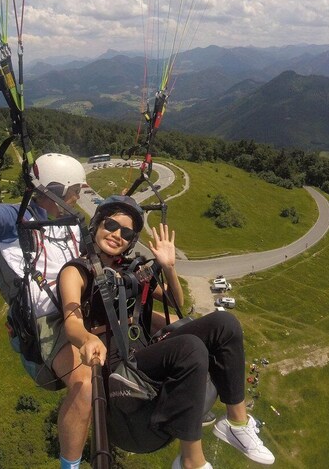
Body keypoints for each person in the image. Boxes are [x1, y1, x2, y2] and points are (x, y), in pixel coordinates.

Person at [58, 195, 275, 468]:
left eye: (125, 233)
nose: (116, 235)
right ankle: (190, 460)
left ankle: (237, 423)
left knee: (226, 324)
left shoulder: (132, 271)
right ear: (97, 225)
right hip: (115, 366)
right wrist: (86, 338)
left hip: (143, 353)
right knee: (190, 348)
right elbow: (72, 320)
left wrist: (169, 267)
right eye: (110, 225)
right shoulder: (78, 271)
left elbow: (176, 302)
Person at [0, 122, 92, 469]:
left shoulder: (70, 222)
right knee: (83, 381)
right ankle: (69, 466)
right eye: (74, 191)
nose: (77, 198)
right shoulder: (16, 217)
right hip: (48, 323)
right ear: (58, 190)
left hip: (80, 307)